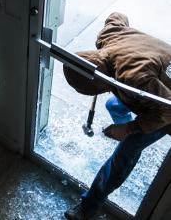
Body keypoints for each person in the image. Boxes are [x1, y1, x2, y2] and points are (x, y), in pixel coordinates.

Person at [62, 12, 171, 220]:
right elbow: (117, 15)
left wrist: (130, 129)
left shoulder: (133, 78)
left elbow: (167, 110)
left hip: (167, 107)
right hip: (155, 80)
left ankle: (89, 207)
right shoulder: (107, 36)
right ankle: (129, 135)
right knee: (114, 103)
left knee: (127, 149)